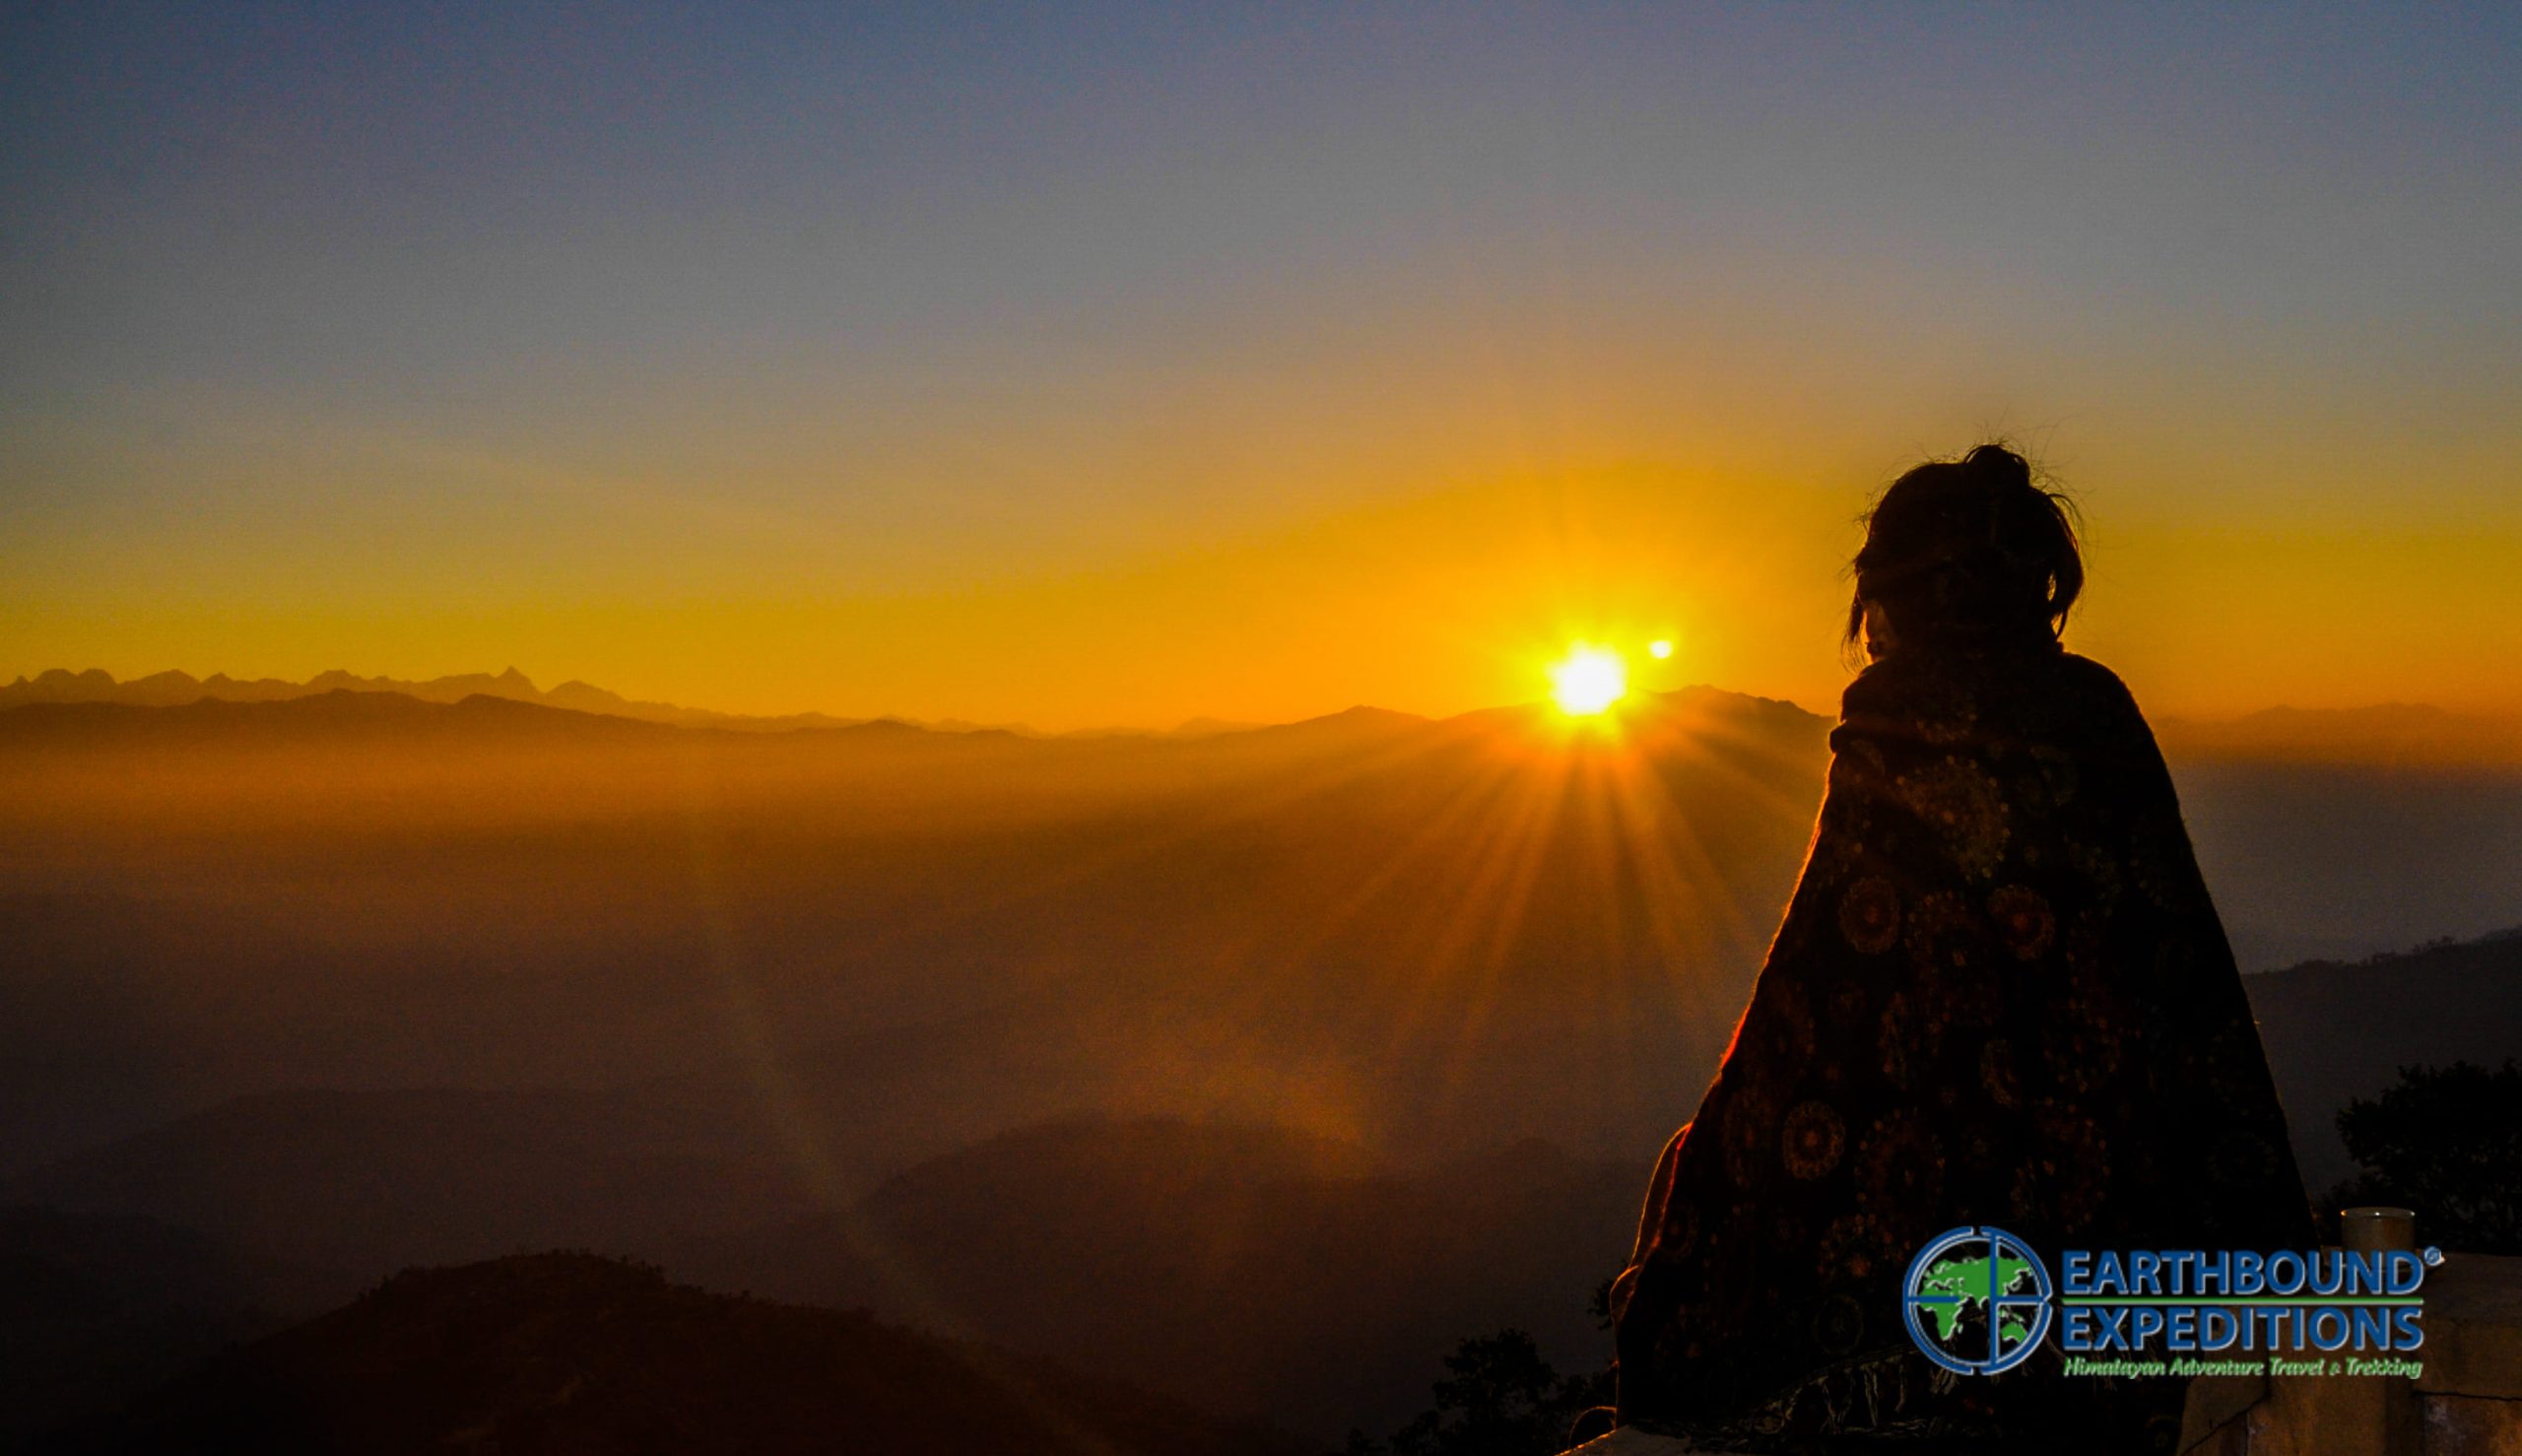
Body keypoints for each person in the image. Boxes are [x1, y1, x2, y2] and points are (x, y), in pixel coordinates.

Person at [1609, 445, 2312, 1452]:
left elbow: (1815, 1004)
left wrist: (1696, 1212)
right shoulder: (2095, 709)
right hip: (2138, 1223)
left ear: (1890, 597)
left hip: (1953, 1256)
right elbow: (2181, 979)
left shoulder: (1902, 716)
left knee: (1712, 1193)